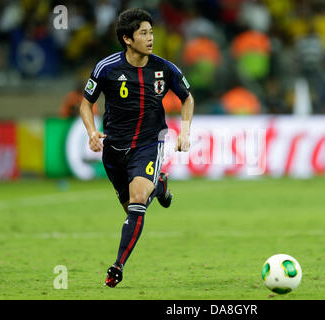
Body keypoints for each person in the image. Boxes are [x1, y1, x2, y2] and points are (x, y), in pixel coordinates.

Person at [79, 8, 194, 288]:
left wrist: (185, 131)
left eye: (151, 32)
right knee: (131, 207)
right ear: (127, 39)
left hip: (149, 143)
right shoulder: (106, 68)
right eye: (144, 33)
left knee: (138, 199)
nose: (151, 38)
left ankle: (117, 266)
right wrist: (92, 131)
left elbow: (187, 98)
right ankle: (160, 186)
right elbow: (86, 103)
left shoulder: (165, 69)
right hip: (114, 149)